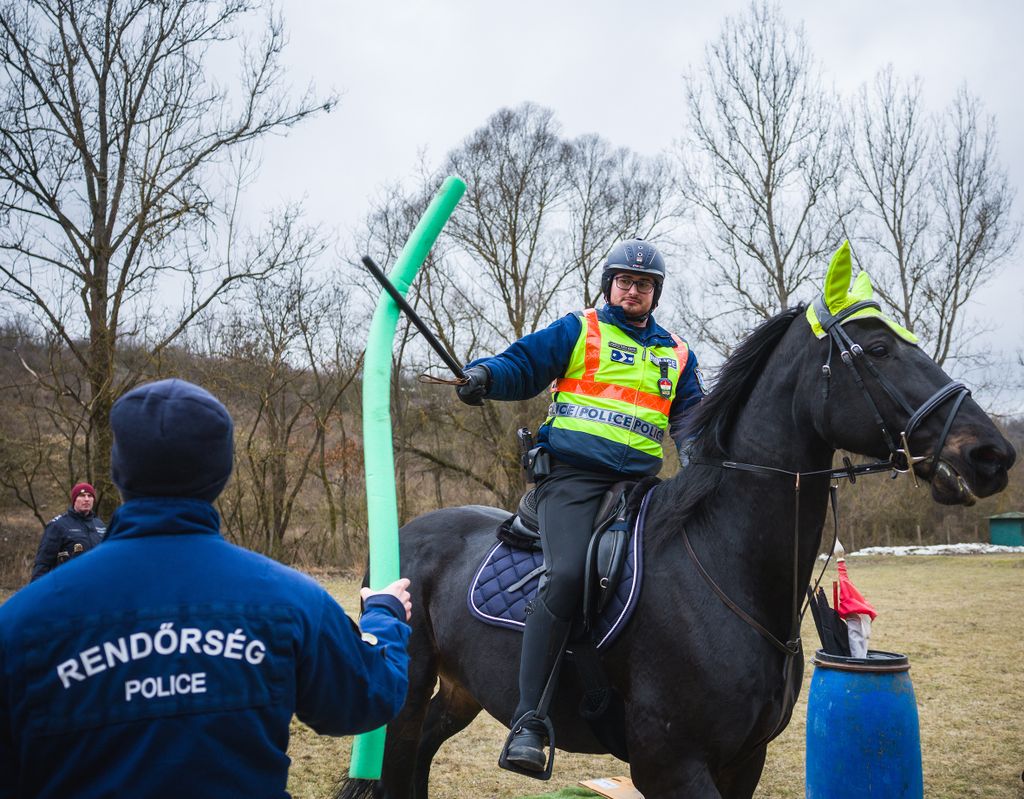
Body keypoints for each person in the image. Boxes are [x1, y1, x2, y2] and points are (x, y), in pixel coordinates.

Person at [0, 378, 412, 798]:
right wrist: (384, 616)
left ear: (118, 470)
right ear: (222, 471)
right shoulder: (291, 601)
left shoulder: (21, 623)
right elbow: (367, 696)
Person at [456, 239, 706, 773]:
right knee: (567, 575)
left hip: (641, 486)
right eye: (624, 281)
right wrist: (486, 375)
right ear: (609, 284)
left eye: (643, 285)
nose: (632, 290)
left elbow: (690, 418)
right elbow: (524, 363)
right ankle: (529, 721)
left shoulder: (677, 354)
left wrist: (699, 455)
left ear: (655, 294)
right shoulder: (581, 329)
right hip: (571, 481)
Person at [30, 482, 107, 581]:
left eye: (90, 496)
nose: (87, 499)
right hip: (68, 586)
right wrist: (37, 591)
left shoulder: (100, 525)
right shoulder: (58, 525)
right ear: (74, 499)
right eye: (82, 496)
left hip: (96, 586)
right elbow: (43, 562)